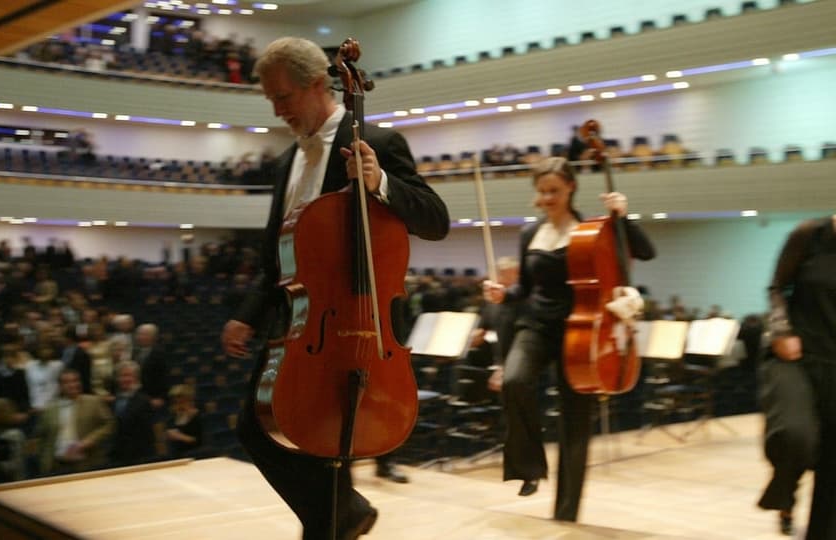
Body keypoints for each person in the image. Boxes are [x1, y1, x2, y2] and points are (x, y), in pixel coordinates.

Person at [221, 36, 449, 540]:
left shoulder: (378, 143)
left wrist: (381, 183)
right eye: (271, 101)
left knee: (327, 450)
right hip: (301, 325)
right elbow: (276, 258)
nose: (278, 110)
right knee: (256, 429)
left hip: (360, 325)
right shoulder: (288, 163)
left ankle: (337, 518)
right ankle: (344, 512)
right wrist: (248, 315)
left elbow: (436, 220)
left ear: (314, 85)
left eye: (283, 97)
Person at [483, 157, 655, 521]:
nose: (547, 198)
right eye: (542, 191)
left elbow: (646, 252)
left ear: (571, 188)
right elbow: (525, 288)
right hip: (537, 326)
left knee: (574, 422)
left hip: (582, 332)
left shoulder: (592, 228)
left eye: (554, 191)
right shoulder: (530, 233)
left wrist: (623, 217)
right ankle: (529, 467)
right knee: (514, 381)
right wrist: (504, 293)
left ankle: (566, 512)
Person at [764, 214, 836, 539]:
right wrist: (781, 330)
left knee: (832, 466)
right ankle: (785, 492)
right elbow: (777, 286)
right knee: (797, 435)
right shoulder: (809, 234)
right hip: (796, 355)